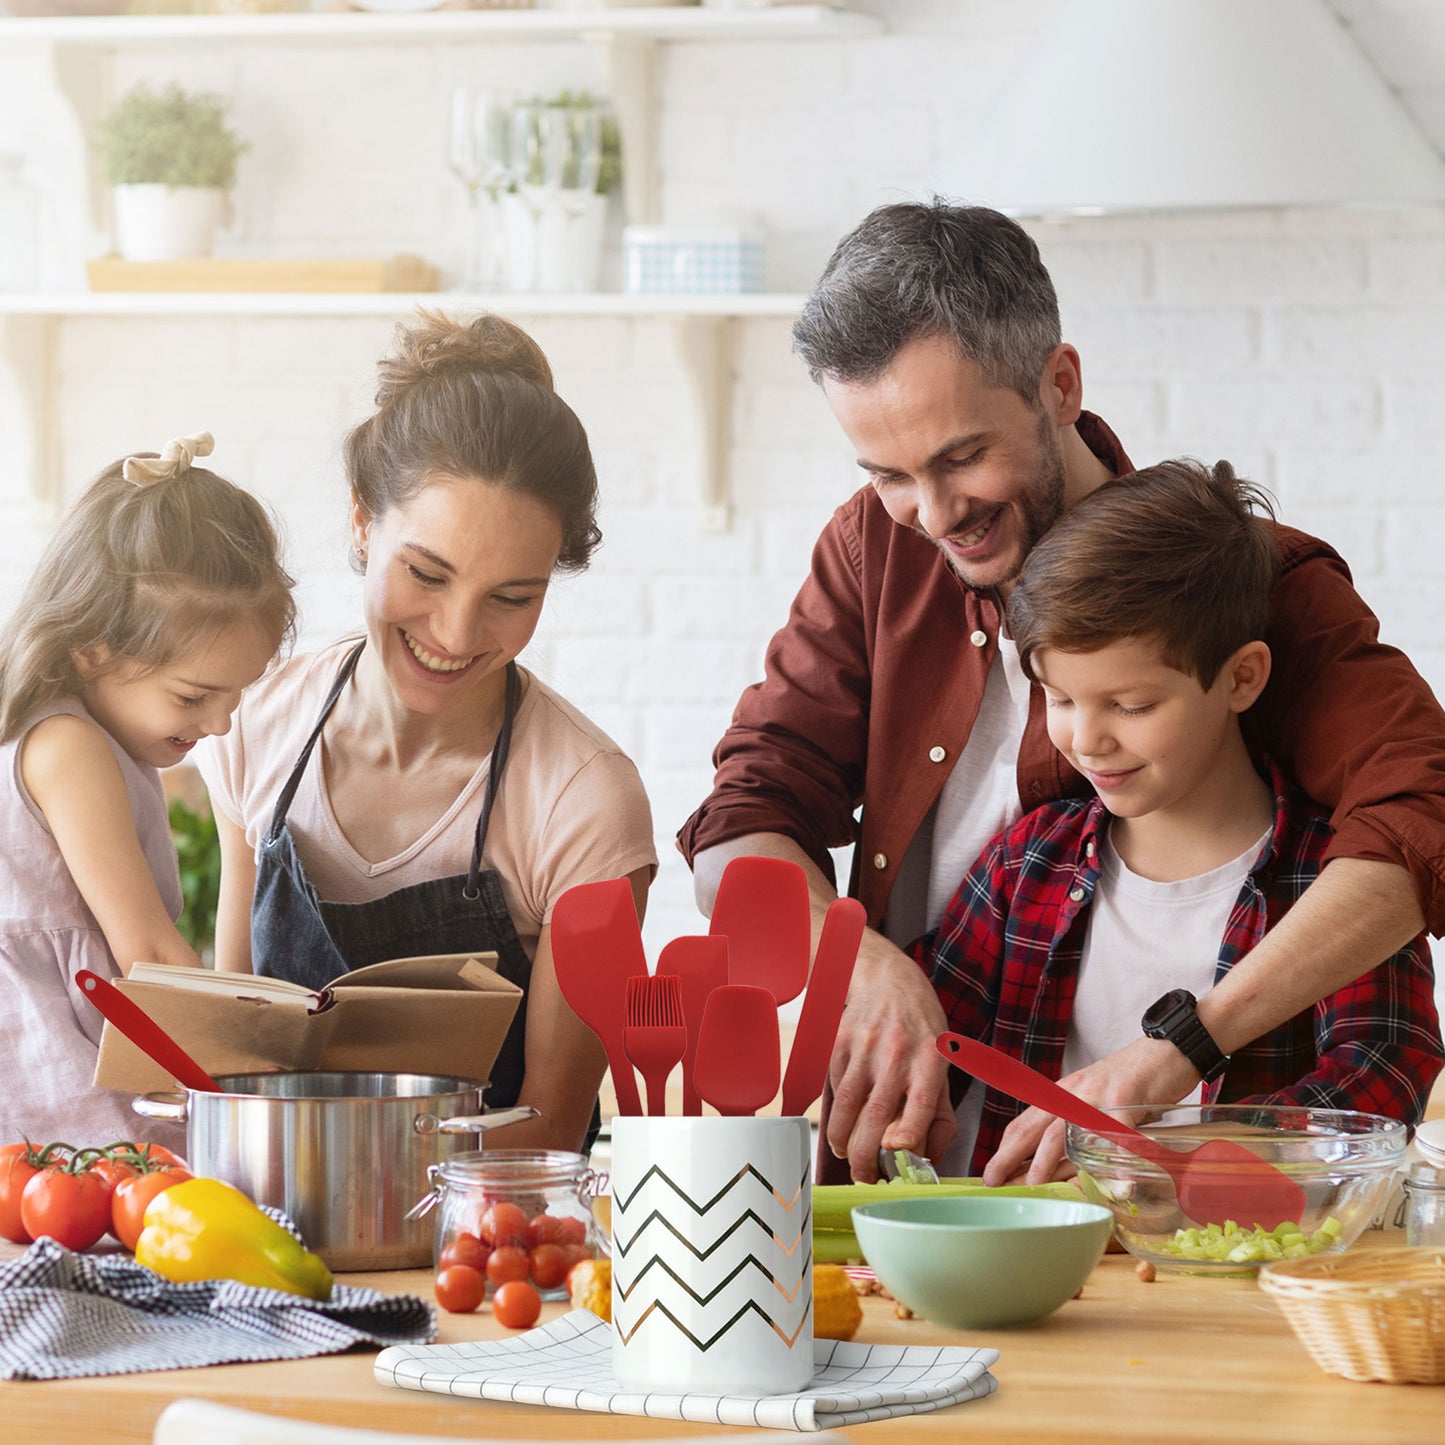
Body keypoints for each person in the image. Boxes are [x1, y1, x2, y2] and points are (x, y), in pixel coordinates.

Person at [678, 199, 1445, 1184]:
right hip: (923, 1183)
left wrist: (1184, 1051)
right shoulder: (876, 544)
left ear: (1059, 384)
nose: (933, 512)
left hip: (1191, 1211)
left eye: (960, 456)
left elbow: (1419, 813)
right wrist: (850, 961)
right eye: (888, 472)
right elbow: (746, 807)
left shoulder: (1248, 585)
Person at [200, 311, 657, 1156]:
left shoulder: (584, 799)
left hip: (491, 1243)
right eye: (427, 573)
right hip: (277, 1222)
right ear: (363, 522)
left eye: (511, 598)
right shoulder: (253, 726)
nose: (454, 632)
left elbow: (550, 1125)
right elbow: (236, 1054)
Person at [918, 458, 1442, 1173]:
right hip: (1027, 1272)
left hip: (1244, 1276)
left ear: (1241, 677)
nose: (1086, 740)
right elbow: (926, 1039)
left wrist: (1170, 1158)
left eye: (1130, 705)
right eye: (1060, 699)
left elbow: (1382, 1072)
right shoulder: (1023, 863)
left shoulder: (1332, 881)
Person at [0, 433, 295, 1145]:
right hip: (60, 1085)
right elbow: (150, 956)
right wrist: (263, 1060)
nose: (221, 722)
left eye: (237, 695)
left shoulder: (97, 740)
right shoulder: (69, 747)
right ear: (92, 648)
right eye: (195, 695)